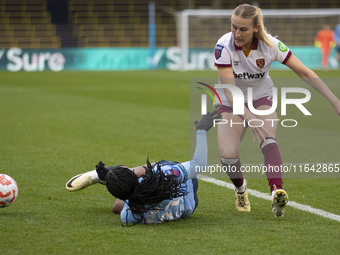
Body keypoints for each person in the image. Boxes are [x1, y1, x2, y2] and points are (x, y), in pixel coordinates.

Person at [213, 4, 340, 217]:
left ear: (256, 27)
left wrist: (334, 101)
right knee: (228, 155)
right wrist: (250, 117)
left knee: (268, 138)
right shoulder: (223, 46)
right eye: (233, 27)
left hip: (262, 97)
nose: (236, 33)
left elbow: (305, 72)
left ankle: (277, 192)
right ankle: (240, 189)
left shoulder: (271, 45)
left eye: (243, 29)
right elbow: (230, 91)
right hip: (231, 100)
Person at [65, 111, 221, 225]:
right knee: (153, 166)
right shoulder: (164, 176)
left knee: (117, 207)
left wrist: (120, 188)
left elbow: (121, 204)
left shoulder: (127, 216)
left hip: (190, 207)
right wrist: (201, 130)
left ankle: (107, 177)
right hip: (187, 188)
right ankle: (117, 171)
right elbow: (199, 165)